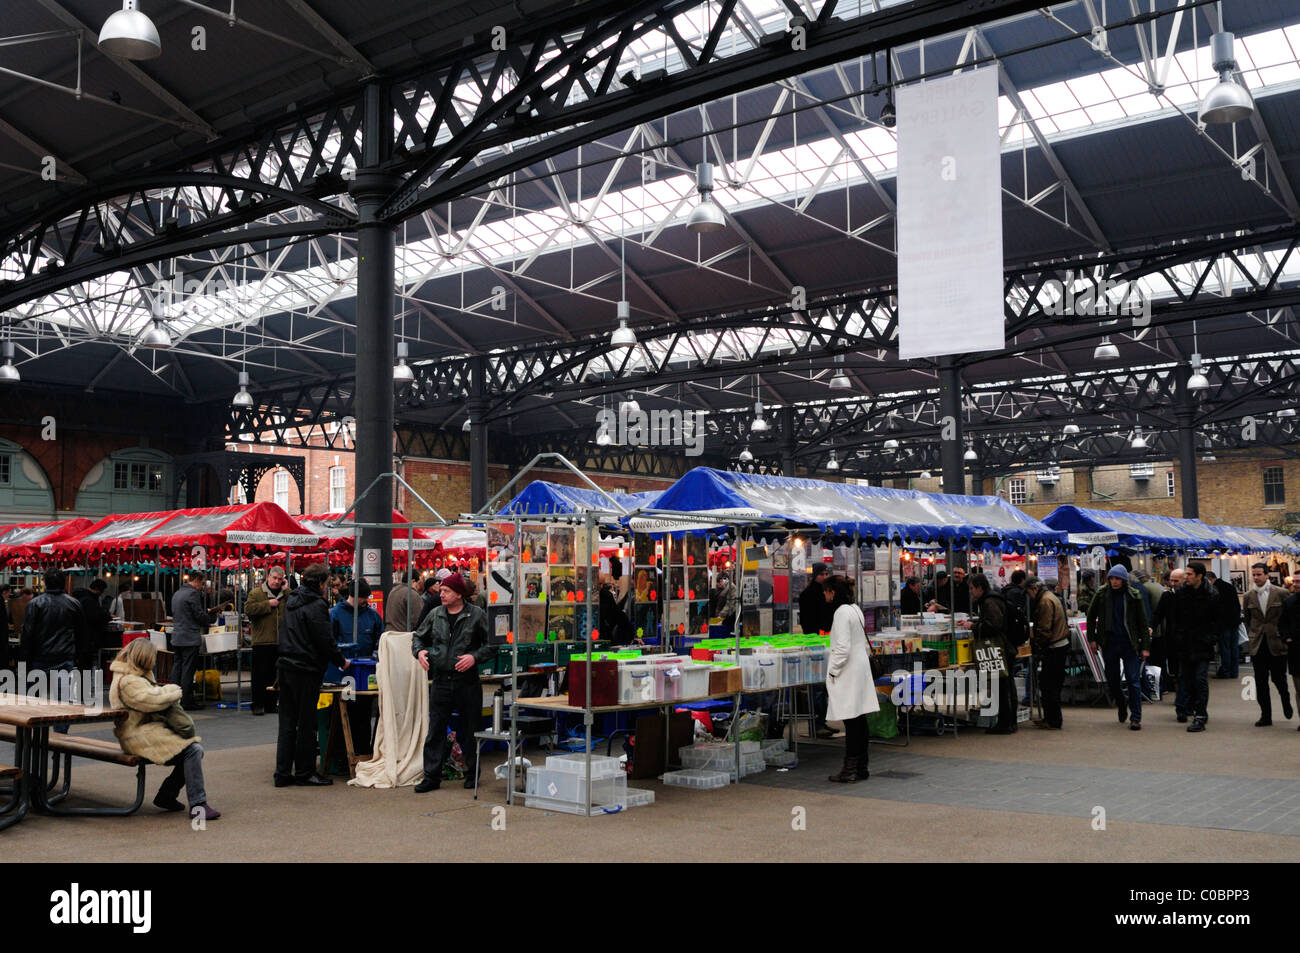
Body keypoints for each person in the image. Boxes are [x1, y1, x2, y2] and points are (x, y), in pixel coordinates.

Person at [108, 637, 219, 821]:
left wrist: (165, 691)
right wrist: (173, 691)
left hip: (140, 731)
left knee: (192, 751)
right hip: (137, 735)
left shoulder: (129, 676)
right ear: (144, 658)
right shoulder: (129, 681)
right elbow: (152, 701)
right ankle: (197, 804)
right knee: (193, 750)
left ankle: (168, 795)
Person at [411, 572, 493, 792]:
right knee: (435, 729)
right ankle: (431, 776)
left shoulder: (476, 615)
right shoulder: (435, 614)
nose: (442, 593)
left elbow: (493, 644)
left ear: (459, 594)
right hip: (441, 680)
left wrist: (474, 657)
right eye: (441, 590)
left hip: (467, 682)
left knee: (470, 729)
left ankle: (471, 773)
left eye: (446, 591)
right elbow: (418, 636)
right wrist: (419, 652)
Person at [275, 563, 347, 787]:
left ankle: (282, 773)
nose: (328, 588)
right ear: (320, 583)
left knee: (287, 722)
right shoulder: (316, 606)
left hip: (286, 665)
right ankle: (305, 772)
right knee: (306, 723)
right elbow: (324, 640)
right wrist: (341, 661)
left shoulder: (292, 601)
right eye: (327, 583)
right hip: (305, 669)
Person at [824, 574, 877, 782]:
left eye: (826, 591)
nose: (825, 595)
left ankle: (850, 768)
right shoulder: (855, 609)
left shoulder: (840, 613)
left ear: (833, 592)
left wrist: (833, 671)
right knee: (859, 720)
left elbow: (842, 648)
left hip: (848, 670)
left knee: (851, 720)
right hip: (860, 667)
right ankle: (861, 766)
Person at [20, 569, 88, 733]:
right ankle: (60, 734)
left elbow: (27, 634)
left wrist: (23, 660)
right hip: (64, 657)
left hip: (39, 657)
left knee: (33, 698)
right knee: (63, 700)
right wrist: (80, 656)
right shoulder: (73, 603)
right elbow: (82, 634)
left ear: (44, 582)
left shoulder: (35, 603)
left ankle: (32, 732)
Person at [1085, 565, 1150, 730]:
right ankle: (1121, 703)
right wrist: (1092, 639)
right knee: (1112, 680)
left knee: (1133, 680)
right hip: (1109, 643)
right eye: (1112, 578)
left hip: (1129, 644)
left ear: (1124, 580)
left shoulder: (1133, 596)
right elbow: (1091, 617)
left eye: (1118, 579)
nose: (1114, 582)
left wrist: (1145, 647)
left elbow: (1143, 623)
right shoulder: (1101, 594)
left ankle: (1136, 718)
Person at [962, 574, 1017, 734]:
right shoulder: (991, 599)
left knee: (1002, 685)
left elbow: (994, 625)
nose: (971, 592)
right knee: (1004, 685)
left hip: (999, 648)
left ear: (980, 587)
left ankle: (1005, 723)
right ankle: (1008, 722)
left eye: (972, 588)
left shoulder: (989, 601)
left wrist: (973, 626)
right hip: (1003, 647)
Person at [1242, 562, 1291, 726]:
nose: (1256, 578)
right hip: (1258, 644)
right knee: (1260, 681)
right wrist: (1253, 634)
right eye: (1254, 575)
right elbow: (1248, 619)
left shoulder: (1282, 593)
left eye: (1259, 574)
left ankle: (1286, 700)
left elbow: (1287, 617)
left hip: (1276, 642)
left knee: (1279, 678)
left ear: (1267, 575)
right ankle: (1266, 715)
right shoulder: (1249, 596)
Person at [1171, 562, 1218, 732]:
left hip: (1202, 644)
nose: (1186, 577)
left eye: (1190, 574)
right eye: (1186, 573)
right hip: (1185, 643)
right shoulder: (1182, 593)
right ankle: (1190, 707)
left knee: (1200, 679)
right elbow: (1176, 617)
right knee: (1187, 679)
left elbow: (1217, 619)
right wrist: (1178, 636)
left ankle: (1200, 715)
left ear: (1199, 576)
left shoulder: (1211, 594)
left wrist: (1211, 638)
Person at [170, 570, 222, 711]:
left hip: (177, 637)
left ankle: (172, 698)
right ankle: (187, 701)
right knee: (188, 670)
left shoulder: (177, 593)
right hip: (189, 637)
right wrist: (211, 617)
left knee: (177, 668)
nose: (202, 587)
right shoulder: (193, 594)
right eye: (202, 583)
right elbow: (198, 615)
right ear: (197, 580)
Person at [1025, 576, 1068, 730]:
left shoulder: (1044, 601)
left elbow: (1044, 629)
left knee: (1049, 685)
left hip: (1054, 647)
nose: (1029, 596)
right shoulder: (1050, 597)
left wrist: (1037, 647)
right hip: (1058, 645)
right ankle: (1051, 718)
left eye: (1029, 592)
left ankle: (1053, 720)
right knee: (1050, 684)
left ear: (1034, 589)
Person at [244, 567, 288, 716]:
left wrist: (287, 589)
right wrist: (268, 604)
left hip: (280, 641)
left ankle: (271, 704)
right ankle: (257, 704)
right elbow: (248, 610)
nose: (276, 581)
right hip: (262, 641)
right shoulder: (256, 593)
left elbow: (296, 601)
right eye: (274, 578)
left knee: (275, 676)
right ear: (268, 577)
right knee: (259, 676)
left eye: (279, 579)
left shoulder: (286, 594)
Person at [1149, 568, 1185, 706]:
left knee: (1185, 671)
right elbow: (1158, 613)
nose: (1173, 583)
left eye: (1176, 581)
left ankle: (1183, 699)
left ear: (1183, 580)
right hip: (1172, 639)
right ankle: (1181, 695)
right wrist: (1151, 626)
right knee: (1175, 670)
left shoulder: (1189, 596)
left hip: (1188, 640)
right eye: (1172, 580)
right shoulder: (1167, 596)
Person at [331, 578, 385, 658]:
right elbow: (330, 641)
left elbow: (380, 638)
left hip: (367, 664)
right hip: (343, 665)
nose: (367, 600)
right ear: (354, 596)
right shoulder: (336, 614)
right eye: (363, 597)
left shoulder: (373, 616)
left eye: (367, 597)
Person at [70, 578, 112, 672]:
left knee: (83, 662)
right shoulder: (89, 600)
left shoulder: (82, 597)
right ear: (97, 589)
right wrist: (107, 616)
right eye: (102, 591)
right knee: (85, 664)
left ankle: (83, 683)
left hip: (80, 636)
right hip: (88, 637)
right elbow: (95, 617)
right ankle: (85, 684)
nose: (102, 594)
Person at [1207, 570, 1243, 679]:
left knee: (1225, 649)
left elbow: (1215, 608)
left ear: (1209, 579)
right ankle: (1234, 672)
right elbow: (1237, 605)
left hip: (1223, 623)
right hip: (1234, 622)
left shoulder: (1214, 589)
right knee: (1234, 647)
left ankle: (1226, 672)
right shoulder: (1229, 586)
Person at [1280, 576, 1300, 731]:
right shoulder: (1289, 601)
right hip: (1296, 651)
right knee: (1299, 688)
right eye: (1294, 581)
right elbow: (1282, 623)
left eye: (1299, 581)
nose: (1295, 584)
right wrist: (1287, 637)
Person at [598, 573, 635, 645]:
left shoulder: (606, 595)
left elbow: (618, 615)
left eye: (603, 584)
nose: (601, 586)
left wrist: (632, 635)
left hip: (604, 637)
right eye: (599, 584)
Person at [798, 563, 833, 635]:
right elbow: (806, 619)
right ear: (815, 576)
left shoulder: (827, 590)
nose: (825, 577)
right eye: (821, 574)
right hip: (814, 633)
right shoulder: (808, 593)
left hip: (827, 632)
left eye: (826, 574)